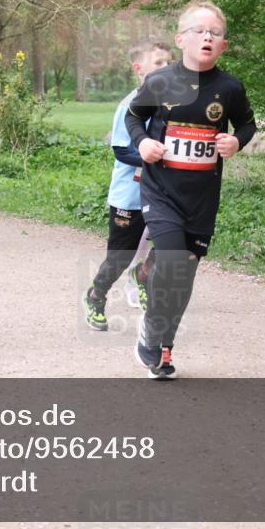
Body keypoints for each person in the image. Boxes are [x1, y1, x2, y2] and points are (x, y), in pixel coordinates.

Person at [125, 1, 256, 379]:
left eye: (215, 33)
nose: (207, 37)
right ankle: (152, 333)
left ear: (224, 45)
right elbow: (136, 117)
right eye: (199, 31)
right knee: (168, 260)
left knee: (183, 277)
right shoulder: (160, 81)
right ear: (181, 39)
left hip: (201, 200)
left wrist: (236, 142)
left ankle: (163, 344)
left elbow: (247, 126)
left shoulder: (230, 88)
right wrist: (144, 144)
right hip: (161, 191)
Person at [82, 40, 173, 330]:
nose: (166, 67)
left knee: (177, 241)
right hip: (129, 196)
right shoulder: (129, 106)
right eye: (158, 62)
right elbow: (121, 150)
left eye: (169, 62)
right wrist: (154, 158)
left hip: (162, 194)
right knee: (120, 257)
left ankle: (143, 274)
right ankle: (96, 296)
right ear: (139, 69)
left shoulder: (174, 106)